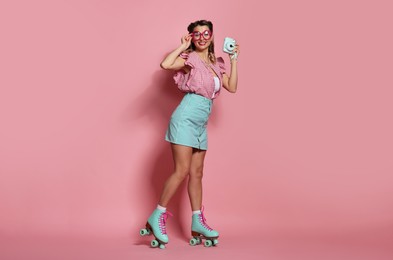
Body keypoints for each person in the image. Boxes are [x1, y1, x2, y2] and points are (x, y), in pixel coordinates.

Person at [139, 20, 239, 249]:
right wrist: (183, 47)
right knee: (182, 170)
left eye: (206, 33)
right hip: (185, 117)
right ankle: (158, 214)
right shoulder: (190, 59)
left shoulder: (216, 63)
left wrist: (234, 59)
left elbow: (232, 87)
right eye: (197, 34)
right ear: (191, 37)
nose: (202, 37)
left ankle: (197, 222)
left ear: (212, 36)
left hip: (201, 122)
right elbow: (166, 64)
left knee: (197, 173)